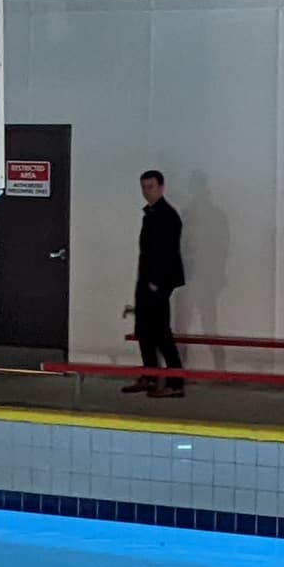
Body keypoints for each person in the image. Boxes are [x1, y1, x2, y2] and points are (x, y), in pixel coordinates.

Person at [129, 168, 187, 397]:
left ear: (161, 187)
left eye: (151, 187)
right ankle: (150, 376)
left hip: (158, 283)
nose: (146, 191)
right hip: (146, 280)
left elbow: (167, 253)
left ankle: (175, 383)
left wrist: (156, 283)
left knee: (161, 332)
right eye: (143, 187)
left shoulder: (167, 215)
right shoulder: (151, 213)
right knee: (144, 330)